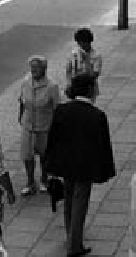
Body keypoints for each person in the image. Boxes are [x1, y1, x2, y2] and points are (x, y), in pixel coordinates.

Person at [45, 73, 116, 257]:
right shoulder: (97, 115)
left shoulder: (62, 110)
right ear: (90, 89)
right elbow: (103, 146)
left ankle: (71, 235)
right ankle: (74, 244)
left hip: (66, 164)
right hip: (85, 166)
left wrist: (50, 165)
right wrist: (105, 170)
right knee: (79, 204)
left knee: (69, 200)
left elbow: (53, 139)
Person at [18, 55, 61, 196]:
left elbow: (57, 108)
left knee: (44, 155)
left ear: (44, 69)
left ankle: (44, 179)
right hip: (28, 124)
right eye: (32, 68)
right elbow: (21, 100)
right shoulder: (25, 82)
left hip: (44, 125)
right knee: (27, 155)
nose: (34, 70)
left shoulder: (51, 86)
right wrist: (20, 117)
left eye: (37, 68)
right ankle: (30, 182)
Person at [65, 28, 103, 102]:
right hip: (75, 86)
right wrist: (69, 84)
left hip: (88, 87)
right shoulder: (74, 54)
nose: (82, 45)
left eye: (84, 42)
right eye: (79, 43)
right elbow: (69, 70)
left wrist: (86, 60)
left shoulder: (96, 56)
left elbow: (95, 74)